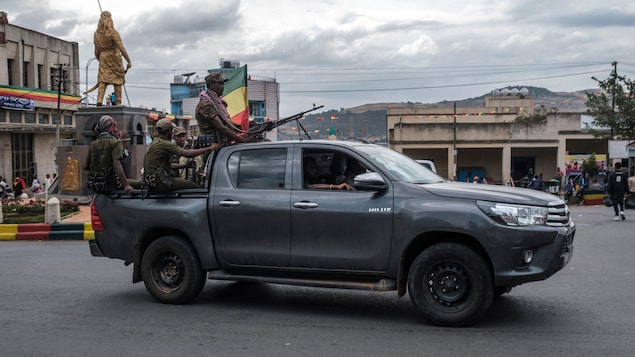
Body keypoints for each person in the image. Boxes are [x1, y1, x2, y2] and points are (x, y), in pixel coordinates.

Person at [143, 119, 220, 193]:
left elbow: (168, 165)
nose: (182, 138)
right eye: (178, 136)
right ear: (170, 131)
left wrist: (185, 165)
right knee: (197, 189)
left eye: (183, 136)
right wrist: (210, 148)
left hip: (152, 182)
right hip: (162, 182)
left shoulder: (154, 143)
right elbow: (187, 154)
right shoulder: (164, 144)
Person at [84, 115, 140, 195]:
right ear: (111, 128)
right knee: (141, 183)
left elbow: (85, 166)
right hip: (111, 184)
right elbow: (116, 164)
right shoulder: (115, 143)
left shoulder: (93, 144)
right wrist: (126, 185)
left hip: (94, 184)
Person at [90, 11, 131, 106]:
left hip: (103, 57)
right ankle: (118, 102)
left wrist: (101, 59)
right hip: (114, 57)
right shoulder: (113, 33)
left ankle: (99, 100)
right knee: (118, 81)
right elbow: (121, 48)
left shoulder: (96, 34)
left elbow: (96, 51)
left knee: (102, 80)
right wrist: (128, 61)